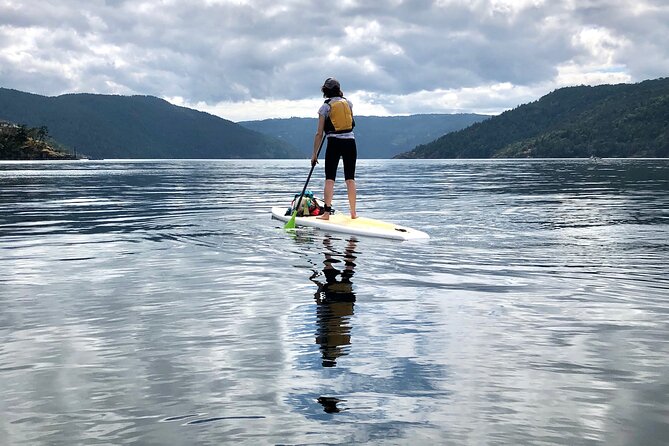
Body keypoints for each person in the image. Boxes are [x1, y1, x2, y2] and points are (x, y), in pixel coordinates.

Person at [311, 78, 357, 220]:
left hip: (334, 143)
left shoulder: (325, 107)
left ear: (325, 90)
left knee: (330, 179)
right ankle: (353, 213)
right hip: (350, 142)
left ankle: (326, 213)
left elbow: (319, 133)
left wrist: (314, 154)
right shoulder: (348, 103)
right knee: (350, 179)